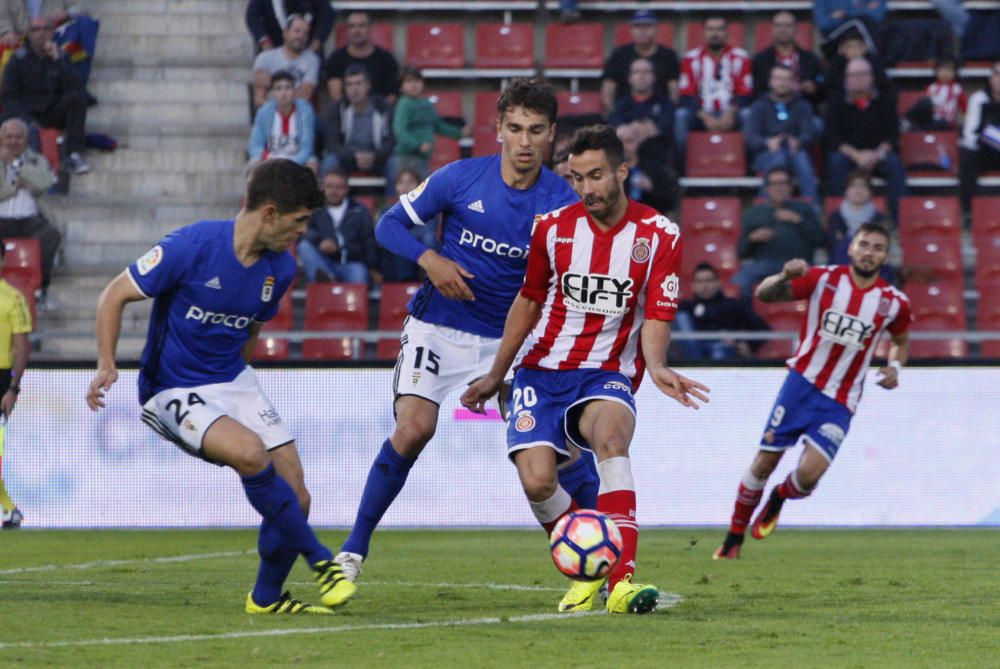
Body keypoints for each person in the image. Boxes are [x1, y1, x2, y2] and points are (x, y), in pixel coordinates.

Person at [334, 79, 599, 595]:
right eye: (515, 128)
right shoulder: (458, 179)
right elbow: (388, 225)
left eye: (536, 131)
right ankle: (351, 552)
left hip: (515, 342)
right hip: (439, 329)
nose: (524, 141)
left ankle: (596, 560)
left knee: (552, 460)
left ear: (551, 137)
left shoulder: (563, 204)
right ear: (498, 128)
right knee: (413, 430)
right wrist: (430, 260)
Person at [85, 159, 356, 614]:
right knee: (251, 453)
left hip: (232, 379)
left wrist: (236, 394)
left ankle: (266, 599)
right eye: (299, 221)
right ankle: (321, 561)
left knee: (297, 495)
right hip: (170, 387)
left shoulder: (281, 270)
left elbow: (249, 330)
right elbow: (114, 295)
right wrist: (106, 363)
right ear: (269, 213)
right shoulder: (190, 247)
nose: (302, 233)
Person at [462, 125, 710, 614]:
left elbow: (657, 312)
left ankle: (621, 582)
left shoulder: (659, 235)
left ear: (621, 171)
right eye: (576, 178)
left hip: (605, 373)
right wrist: (497, 373)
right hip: (541, 370)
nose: (586, 189)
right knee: (536, 482)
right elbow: (529, 301)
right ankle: (588, 557)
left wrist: (656, 365)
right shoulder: (551, 228)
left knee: (612, 443)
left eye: (595, 176)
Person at [713, 222, 911, 559]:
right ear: (851, 248)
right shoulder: (824, 279)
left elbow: (901, 342)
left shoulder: (894, 303)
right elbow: (764, 294)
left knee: (808, 477)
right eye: (864, 244)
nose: (870, 252)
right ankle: (733, 538)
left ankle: (779, 497)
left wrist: (894, 367)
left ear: (886, 255)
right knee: (764, 462)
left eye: (878, 247)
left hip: (841, 399)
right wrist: (783, 277)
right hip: (801, 385)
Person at [0, 16, 89, 174]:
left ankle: (74, 155)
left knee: (77, 99)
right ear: (29, 34)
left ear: (52, 32)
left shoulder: (60, 56)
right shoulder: (17, 60)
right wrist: (26, 119)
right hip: (26, 114)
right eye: (36, 30)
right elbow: (9, 97)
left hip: (51, 111)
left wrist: (58, 60)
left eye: (46, 29)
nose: (42, 34)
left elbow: (75, 87)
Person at [825, 57, 905, 223]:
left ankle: (900, 220)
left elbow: (893, 133)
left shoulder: (885, 100)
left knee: (894, 164)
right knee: (836, 162)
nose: (858, 78)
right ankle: (839, 221)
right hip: (849, 154)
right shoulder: (836, 102)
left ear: (872, 77)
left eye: (863, 74)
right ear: (846, 80)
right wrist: (857, 156)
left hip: (878, 153)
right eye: (853, 75)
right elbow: (832, 137)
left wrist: (876, 154)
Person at [733, 166, 825, 297]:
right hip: (765, 264)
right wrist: (752, 239)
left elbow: (820, 240)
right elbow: (741, 252)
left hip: (798, 264)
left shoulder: (805, 209)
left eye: (783, 183)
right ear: (766, 188)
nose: (779, 188)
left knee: (822, 282)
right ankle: (746, 317)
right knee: (740, 281)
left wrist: (798, 221)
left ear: (791, 186)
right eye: (774, 183)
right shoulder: (753, 213)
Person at [675, 15, 753, 167]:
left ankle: (749, 167)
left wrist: (730, 112)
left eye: (719, 29)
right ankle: (681, 169)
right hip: (700, 114)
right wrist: (705, 116)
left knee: (748, 114)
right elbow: (686, 94)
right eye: (710, 29)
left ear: (726, 33)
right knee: (680, 116)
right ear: (703, 32)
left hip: (732, 113)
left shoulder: (741, 57)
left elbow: (746, 93)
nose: (715, 33)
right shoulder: (691, 58)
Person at [0, 117, 60, 306]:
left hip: (30, 220)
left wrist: (17, 166)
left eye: (18, 137)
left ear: (26, 139)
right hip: (1, 220)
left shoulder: (37, 159)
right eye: (8, 137)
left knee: (51, 235)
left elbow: (43, 183)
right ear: (1, 138)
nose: (13, 141)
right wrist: (16, 185)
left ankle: (41, 289)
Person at [745, 64, 819, 203]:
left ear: (793, 83)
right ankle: (765, 208)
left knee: (801, 157)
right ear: (770, 82)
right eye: (778, 78)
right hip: (766, 155)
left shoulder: (803, 106)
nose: (782, 83)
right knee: (779, 158)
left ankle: (812, 207)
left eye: (786, 79)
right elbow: (750, 138)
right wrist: (767, 143)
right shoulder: (758, 106)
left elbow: (808, 133)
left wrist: (799, 141)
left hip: (795, 153)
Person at [298, 168, 379, 285]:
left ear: (346, 189)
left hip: (352, 263)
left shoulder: (359, 211)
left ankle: (331, 287)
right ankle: (327, 280)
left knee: (359, 275)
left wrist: (373, 268)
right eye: (329, 186)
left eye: (338, 187)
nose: (333, 191)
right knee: (304, 246)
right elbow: (304, 231)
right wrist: (321, 241)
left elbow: (368, 242)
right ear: (322, 188)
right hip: (324, 262)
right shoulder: (315, 209)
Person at [675, 263, 770, 361]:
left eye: (709, 280)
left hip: (723, 348)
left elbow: (762, 329)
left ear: (718, 282)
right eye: (699, 281)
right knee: (680, 316)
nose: (705, 285)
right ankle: (695, 365)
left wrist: (745, 344)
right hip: (694, 350)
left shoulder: (733, 305)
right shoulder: (685, 307)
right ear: (693, 285)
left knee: (719, 351)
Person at [389, 67, 467, 185]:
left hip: (423, 157)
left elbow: (438, 125)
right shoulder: (404, 104)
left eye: (417, 81)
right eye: (409, 82)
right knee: (408, 190)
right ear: (401, 87)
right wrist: (417, 144)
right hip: (407, 157)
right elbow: (399, 130)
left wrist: (459, 132)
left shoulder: (427, 104)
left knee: (422, 190)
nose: (413, 85)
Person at [0, 239, 30, 530]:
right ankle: (9, 510)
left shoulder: (12, 298)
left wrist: (12, 388)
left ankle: (10, 509)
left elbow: (22, 347)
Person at [320, 63, 393, 177]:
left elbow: (391, 141)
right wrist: (354, 155)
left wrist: (374, 156)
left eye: (359, 83)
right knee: (329, 162)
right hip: (347, 158)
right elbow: (332, 144)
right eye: (349, 84)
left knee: (395, 163)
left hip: (377, 158)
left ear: (368, 85)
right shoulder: (336, 108)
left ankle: (394, 196)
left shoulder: (383, 107)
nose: (354, 89)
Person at [601, 9, 680, 113]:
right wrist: (615, 117)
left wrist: (667, 117)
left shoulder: (668, 55)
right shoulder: (619, 55)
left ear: (656, 29)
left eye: (647, 26)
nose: (643, 31)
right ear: (631, 30)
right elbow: (608, 88)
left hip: (658, 112)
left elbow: (673, 90)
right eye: (638, 26)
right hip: (625, 113)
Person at [247, 70, 318, 174]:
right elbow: (254, 145)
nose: (283, 93)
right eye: (278, 89)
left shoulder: (305, 111)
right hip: (271, 158)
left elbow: (307, 147)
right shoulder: (264, 112)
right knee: (252, 166)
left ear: (294, 91)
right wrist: (269, 157)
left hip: (298, 158)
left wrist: (290, 162)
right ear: (272, 93)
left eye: (288, 88)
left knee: (312, 165)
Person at [751, 11, 824, 110]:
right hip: (769, 111)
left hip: (802, 111)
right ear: (772, 29)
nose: (783, 29)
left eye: (788, 26)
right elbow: (756, 92)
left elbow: (822, 92)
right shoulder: (760, 59)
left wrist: (813, 89)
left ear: (796, 29)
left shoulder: (810, 59)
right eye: (778, 25)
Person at [324, 11, 400, 104]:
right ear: (347, 30)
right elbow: (336, 96)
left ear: (369, 29)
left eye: (361, 26)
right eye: (352, 26)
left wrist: (376, 113)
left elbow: (392, 95)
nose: (357, 31)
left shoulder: (386, 59)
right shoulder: (336, 59)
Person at [250, 14, 320, 110]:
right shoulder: (265, 58)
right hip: (269, 113)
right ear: (285, 33)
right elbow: (259, 99)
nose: (301, 36)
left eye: (305, 33)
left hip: (298, 113)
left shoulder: (312, 60)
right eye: (297, 31)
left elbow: (305, 95)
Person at [959, 61, 1000, 212]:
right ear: (991, 78)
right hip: (985, 152)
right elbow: (969, 135)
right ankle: (969, 213)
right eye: (996, 74)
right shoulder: (978, 98)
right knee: (967, 157)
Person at [827, 171, 890, 266]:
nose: (858, 190)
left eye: (863, 187)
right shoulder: (835, 217)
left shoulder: (878, 218)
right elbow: (831, 246)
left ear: (870, 192)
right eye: (853, 186)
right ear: (846, 191)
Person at [245, 1, 334, 54]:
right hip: (273, 48)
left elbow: (326, 14)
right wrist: (264, 41)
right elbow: (252, 17)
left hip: (307, 49)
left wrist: (316, 42)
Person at [904, 57, 966, 131]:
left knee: (942, 124)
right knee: (924, 102)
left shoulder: (957, 88)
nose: (946, 73)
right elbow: (925, 106)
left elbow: (964, 109)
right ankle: (906, 120)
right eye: (942, 69)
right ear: (936, 71)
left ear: (955, 72)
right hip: (931, 119)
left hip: (947, 124)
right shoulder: (932, 87)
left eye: (950, 70)